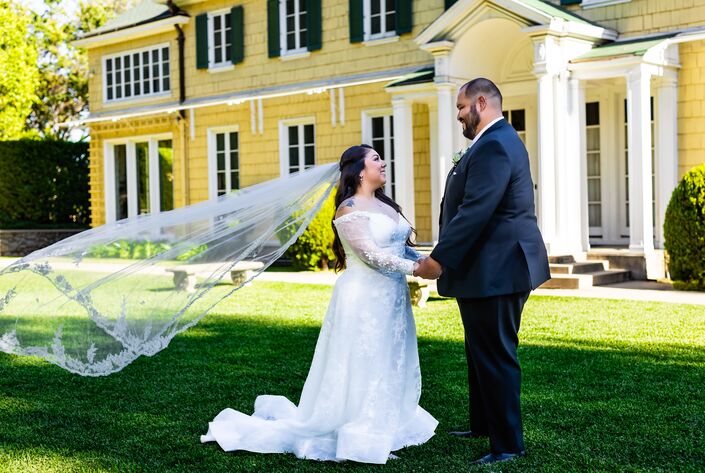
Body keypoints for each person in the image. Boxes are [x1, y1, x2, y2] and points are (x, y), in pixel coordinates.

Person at [201, 144, 438, 464]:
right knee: (364, 359)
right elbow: (370, 255)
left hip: (392, 297)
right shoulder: (349, 209)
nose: (383, 163)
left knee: (390, 356)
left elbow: (399, 247)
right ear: (359, 171)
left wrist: (425, 260)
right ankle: (360, 432)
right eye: (376, 159)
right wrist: (415, 269)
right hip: (363, 297)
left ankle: (385, 423)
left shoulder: (385, 204)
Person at [414, 78, 550, 466]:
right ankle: (483, 425)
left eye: (461, 107)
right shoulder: (493, 141)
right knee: (479, 351)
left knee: (495, 354)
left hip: (499, 268)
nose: (458, 114)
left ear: (481, 103)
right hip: (487, 269)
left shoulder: (495, 145)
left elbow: (476, 210)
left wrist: (439, 259)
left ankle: (508, 444)